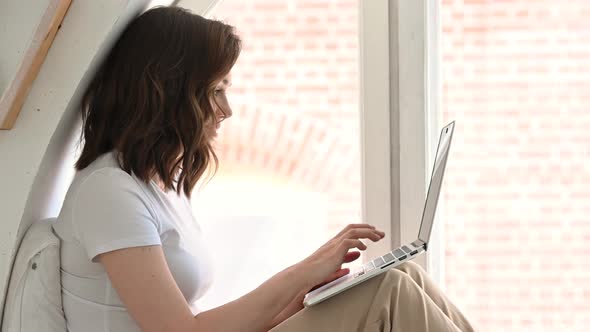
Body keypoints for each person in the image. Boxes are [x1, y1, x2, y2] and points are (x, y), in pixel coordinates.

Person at [52, 6, 476, 332]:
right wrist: (303, 272)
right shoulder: (108, 191)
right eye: (214, 91)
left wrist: (296, 300)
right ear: (167, 92)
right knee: (390, 290)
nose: (226, 110)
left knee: (399, 272)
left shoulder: (154, 187)